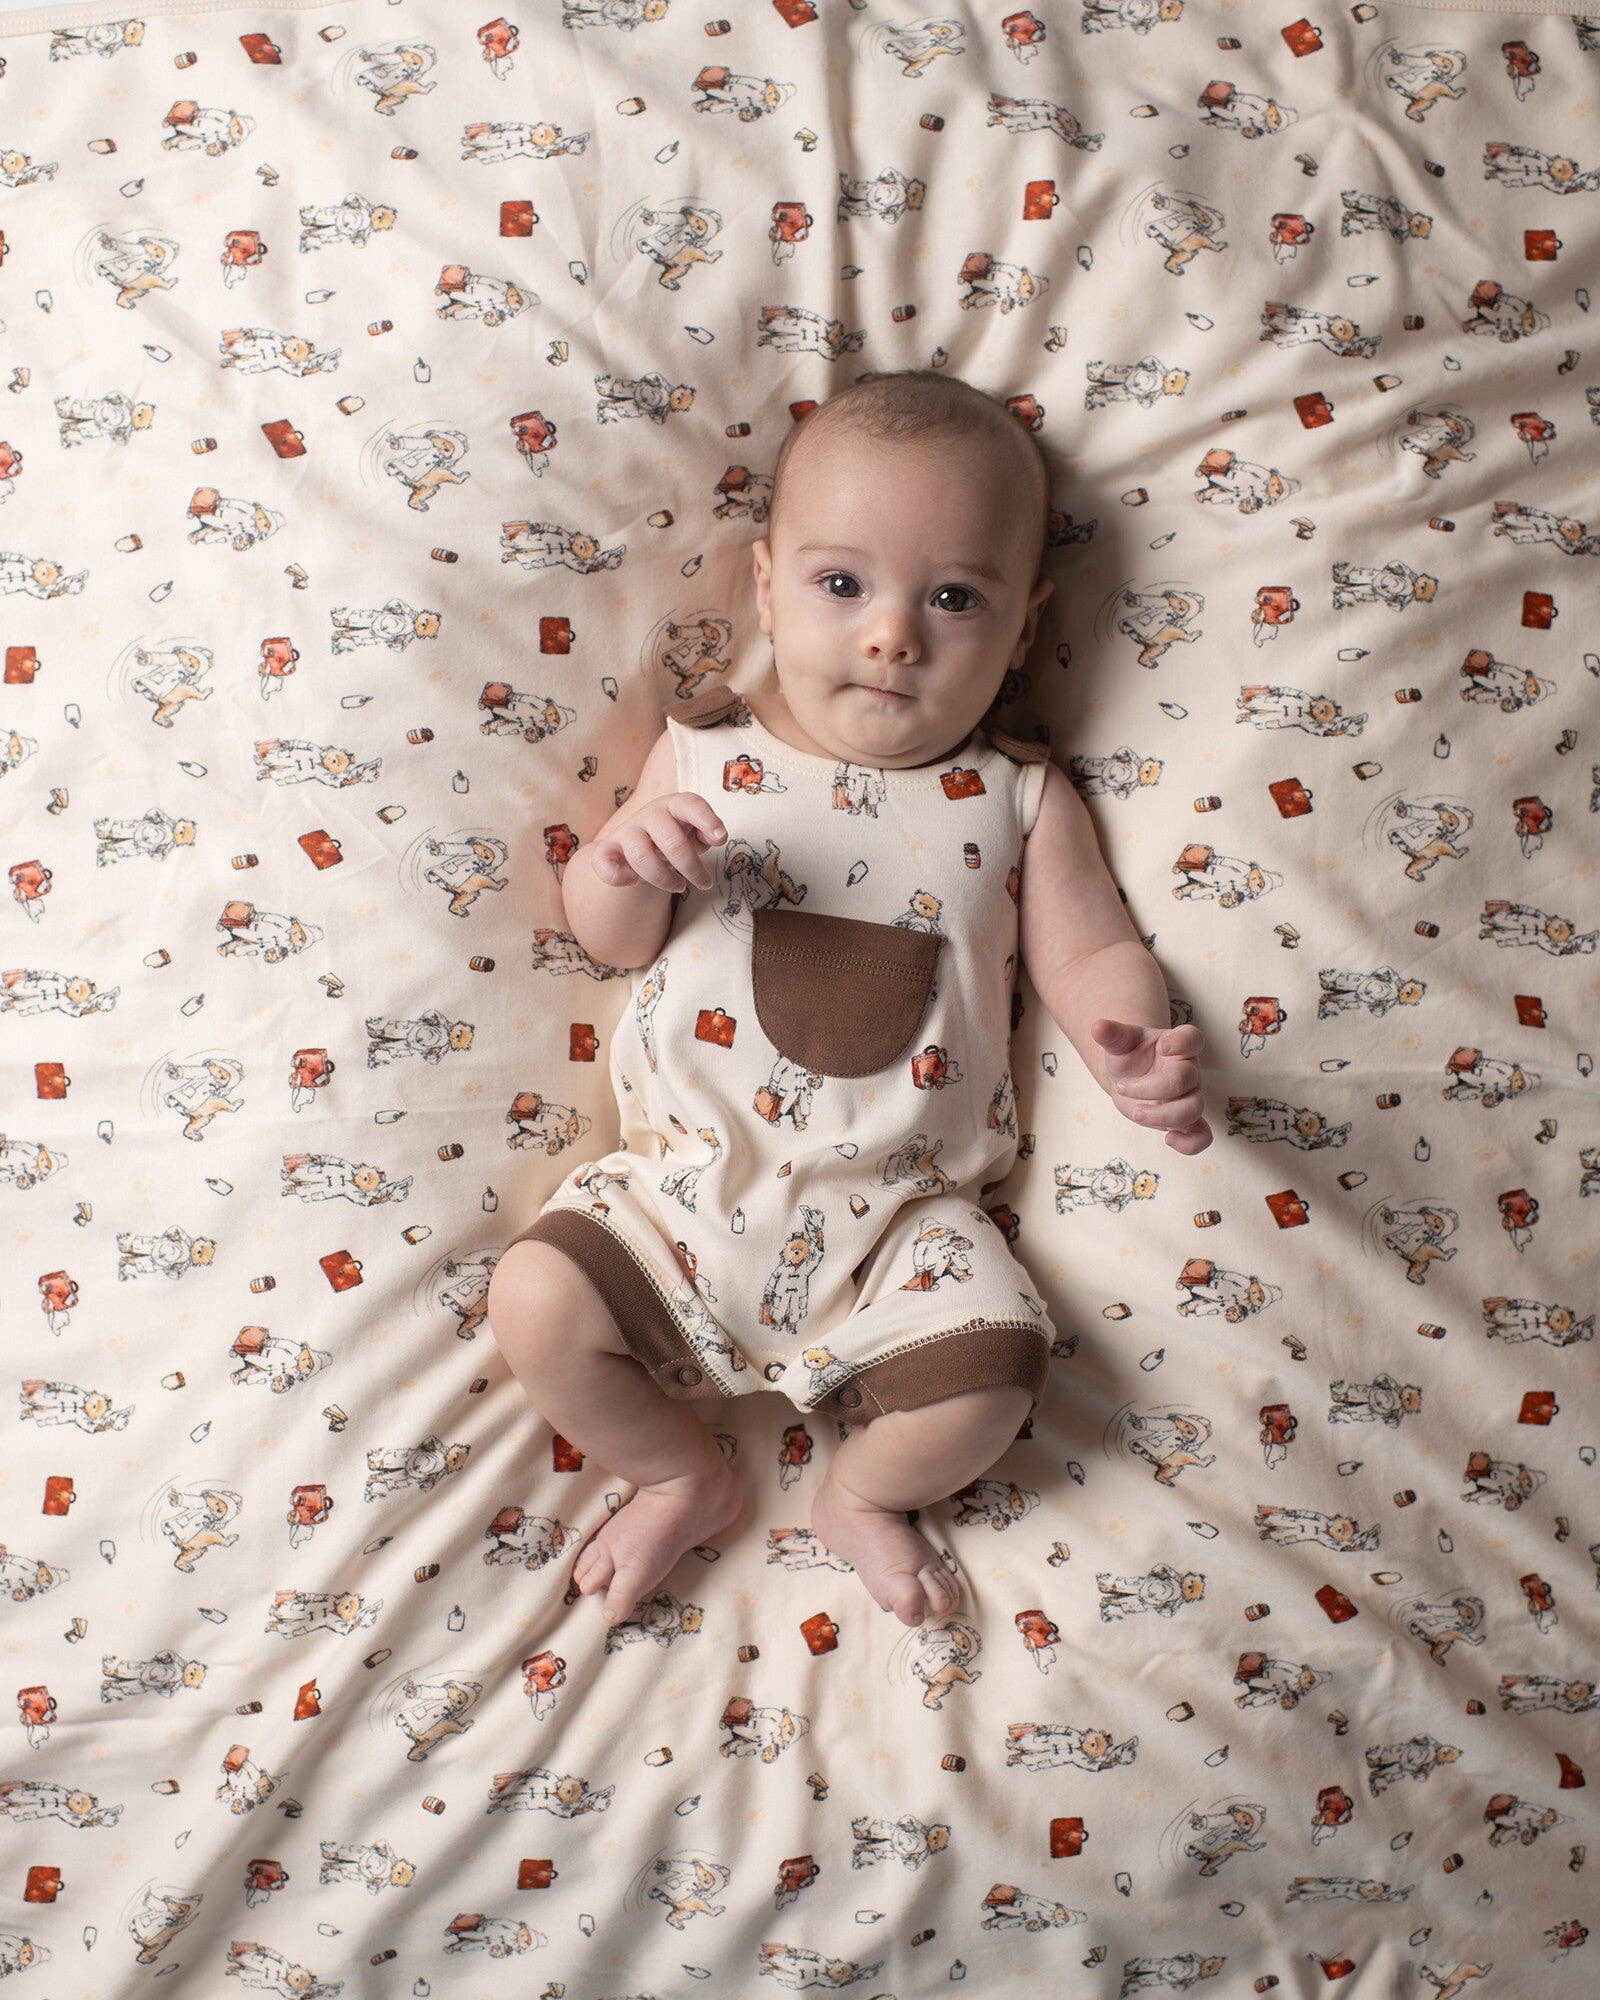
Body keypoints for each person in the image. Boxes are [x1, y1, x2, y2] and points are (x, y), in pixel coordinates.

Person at [486, 369, 1211, 1631]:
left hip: (901, 1226)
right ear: (765, 584)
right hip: (685, 1194)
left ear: (1024, 622)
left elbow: (1090, 952)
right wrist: (617, 863)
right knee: (536, 1300)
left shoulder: (1017, 796)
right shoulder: (707, 753)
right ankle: (679, 1469)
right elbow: (610, 943)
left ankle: (862, 1495)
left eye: (953, 597)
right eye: (842, 586)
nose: (892, 635)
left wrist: (1129, 1040)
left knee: (995, 1372)